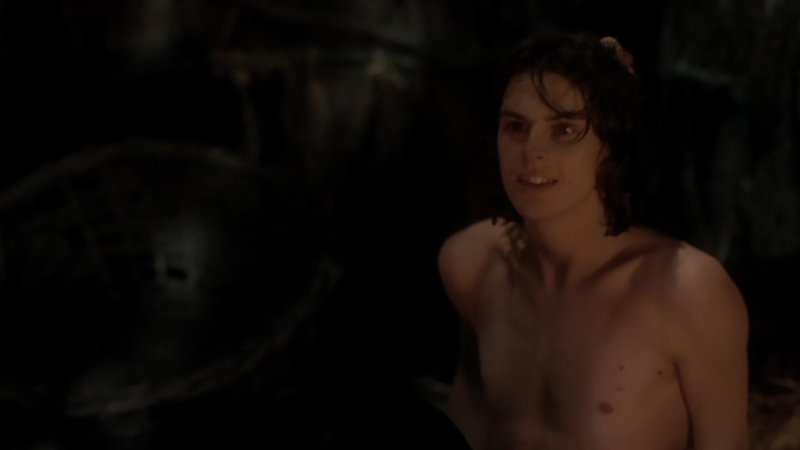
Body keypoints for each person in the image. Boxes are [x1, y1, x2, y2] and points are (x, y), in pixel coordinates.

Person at [437, 31, 749, 450]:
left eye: (564, 129)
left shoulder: (687, 292)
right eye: (516, 126)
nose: (532, 151)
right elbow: (473, 411)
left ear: (611, 145)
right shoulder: (473, 262)